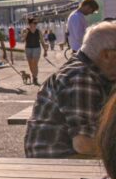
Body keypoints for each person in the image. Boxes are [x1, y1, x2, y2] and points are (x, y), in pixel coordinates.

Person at [25, 21, 116, 158]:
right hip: (56, 163)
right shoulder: (80, 77)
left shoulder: (90, 70)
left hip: (60, 158)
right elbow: (84, 144)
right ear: (106, 55)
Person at [21, 17, 48, 86]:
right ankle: (33, 75)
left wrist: (45, 50)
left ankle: (35, 78)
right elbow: (22, 40)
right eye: (34, 23)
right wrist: (26, 33)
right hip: (28, 48)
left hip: (37, 48)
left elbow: (42, 41)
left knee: (34, 62)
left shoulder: (38, 31)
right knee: (30, 64)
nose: (36, 24)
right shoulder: (25, 30)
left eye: (36, 23)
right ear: (30, 23)